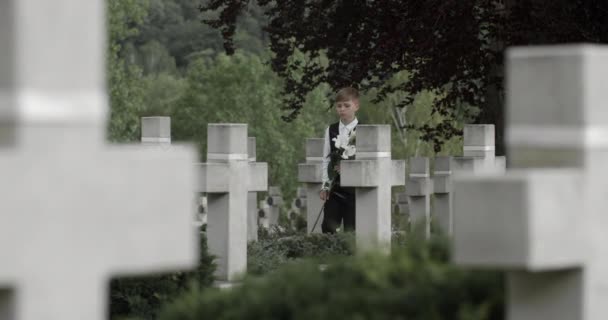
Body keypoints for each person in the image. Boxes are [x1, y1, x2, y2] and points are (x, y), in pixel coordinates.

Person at [319, 87, 360, 233]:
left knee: (352, 229)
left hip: (355, 189)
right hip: (335, 188)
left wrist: (349, 168)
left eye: (346, 105)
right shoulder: (331, 130)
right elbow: (326, 159)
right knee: (328, 227)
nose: (342, 109)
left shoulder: (364, 130)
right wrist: (325, 185)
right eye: (339, 106)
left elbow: (367, 163)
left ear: (356, 106)